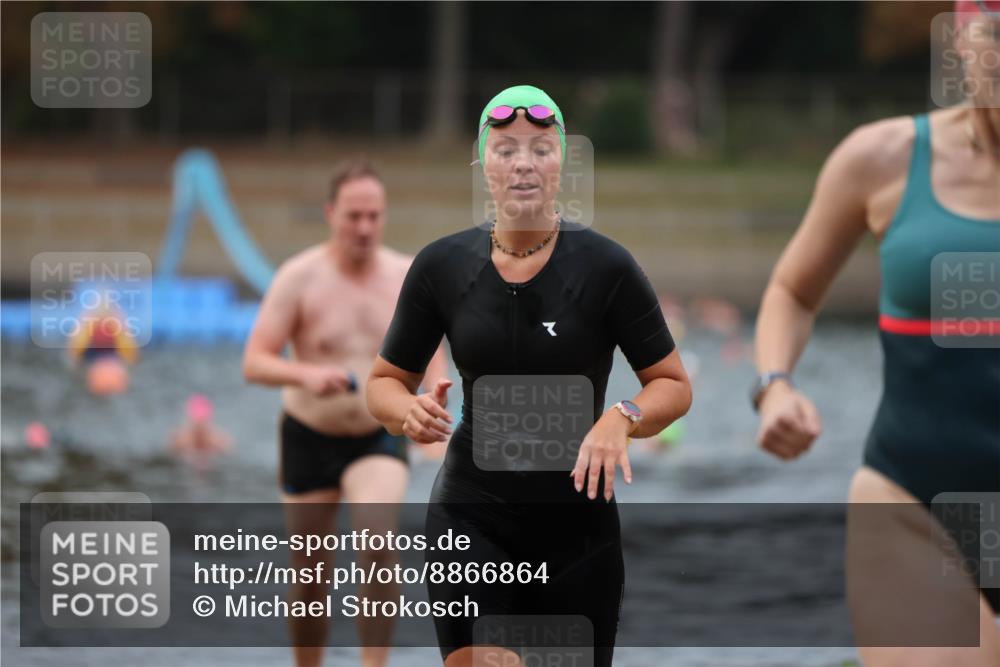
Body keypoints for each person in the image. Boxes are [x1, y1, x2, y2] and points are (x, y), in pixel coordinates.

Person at [366, 85, 692, 667]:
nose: (523, 163)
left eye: (541, 149)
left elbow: (673, 383)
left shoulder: (607, 268)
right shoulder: (441, 267)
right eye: (506, 148)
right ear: (482, 164)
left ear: (562, 163)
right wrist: (406, 411)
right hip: (470, 514)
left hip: (578, 527)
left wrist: (624, 417)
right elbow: (383, 382)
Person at [752, 3, 999, 665]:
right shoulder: (881, 158)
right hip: (912, 500)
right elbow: (792, 292)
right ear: (965, 39)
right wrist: (775, 385)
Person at [242, 160, 450, 667]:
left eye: (373, 216)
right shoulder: (299, 277)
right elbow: (254, 361)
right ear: (331, 213)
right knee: (310, 574)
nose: (364, 227)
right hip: (308, 433)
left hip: (377, 436)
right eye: (353, 215)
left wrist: (431, 415)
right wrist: (304, 375)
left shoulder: (407, 277)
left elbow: (434, 370)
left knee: (378, 543)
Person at [168, 394, 232, 472]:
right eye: (197, 423)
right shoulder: (180, 439)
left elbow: (228, 452)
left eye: (202, 423)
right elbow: (170, 452)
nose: (199, 427)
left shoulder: (217, 440)